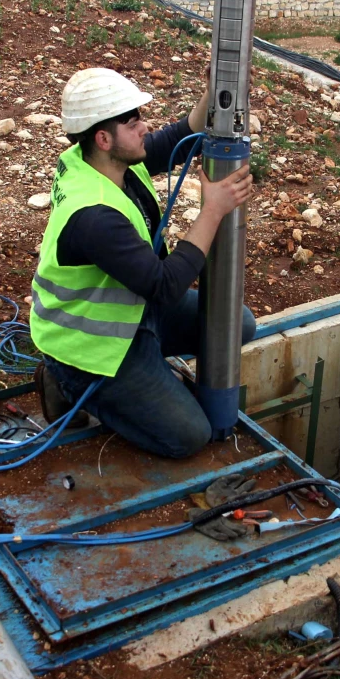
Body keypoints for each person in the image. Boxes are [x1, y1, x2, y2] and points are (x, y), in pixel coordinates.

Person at [30, 67, 256, 458]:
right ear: (103, 137)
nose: (144, 127)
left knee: (239, 324)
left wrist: (211, 93)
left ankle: (147, 375)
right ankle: (68, 384)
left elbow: (176, 140)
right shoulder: (94, 215)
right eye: (133, 122)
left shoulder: (102, 159)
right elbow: (166, 285)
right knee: (188, 436)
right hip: (93, 347)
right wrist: (213, 210)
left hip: (132, 313)